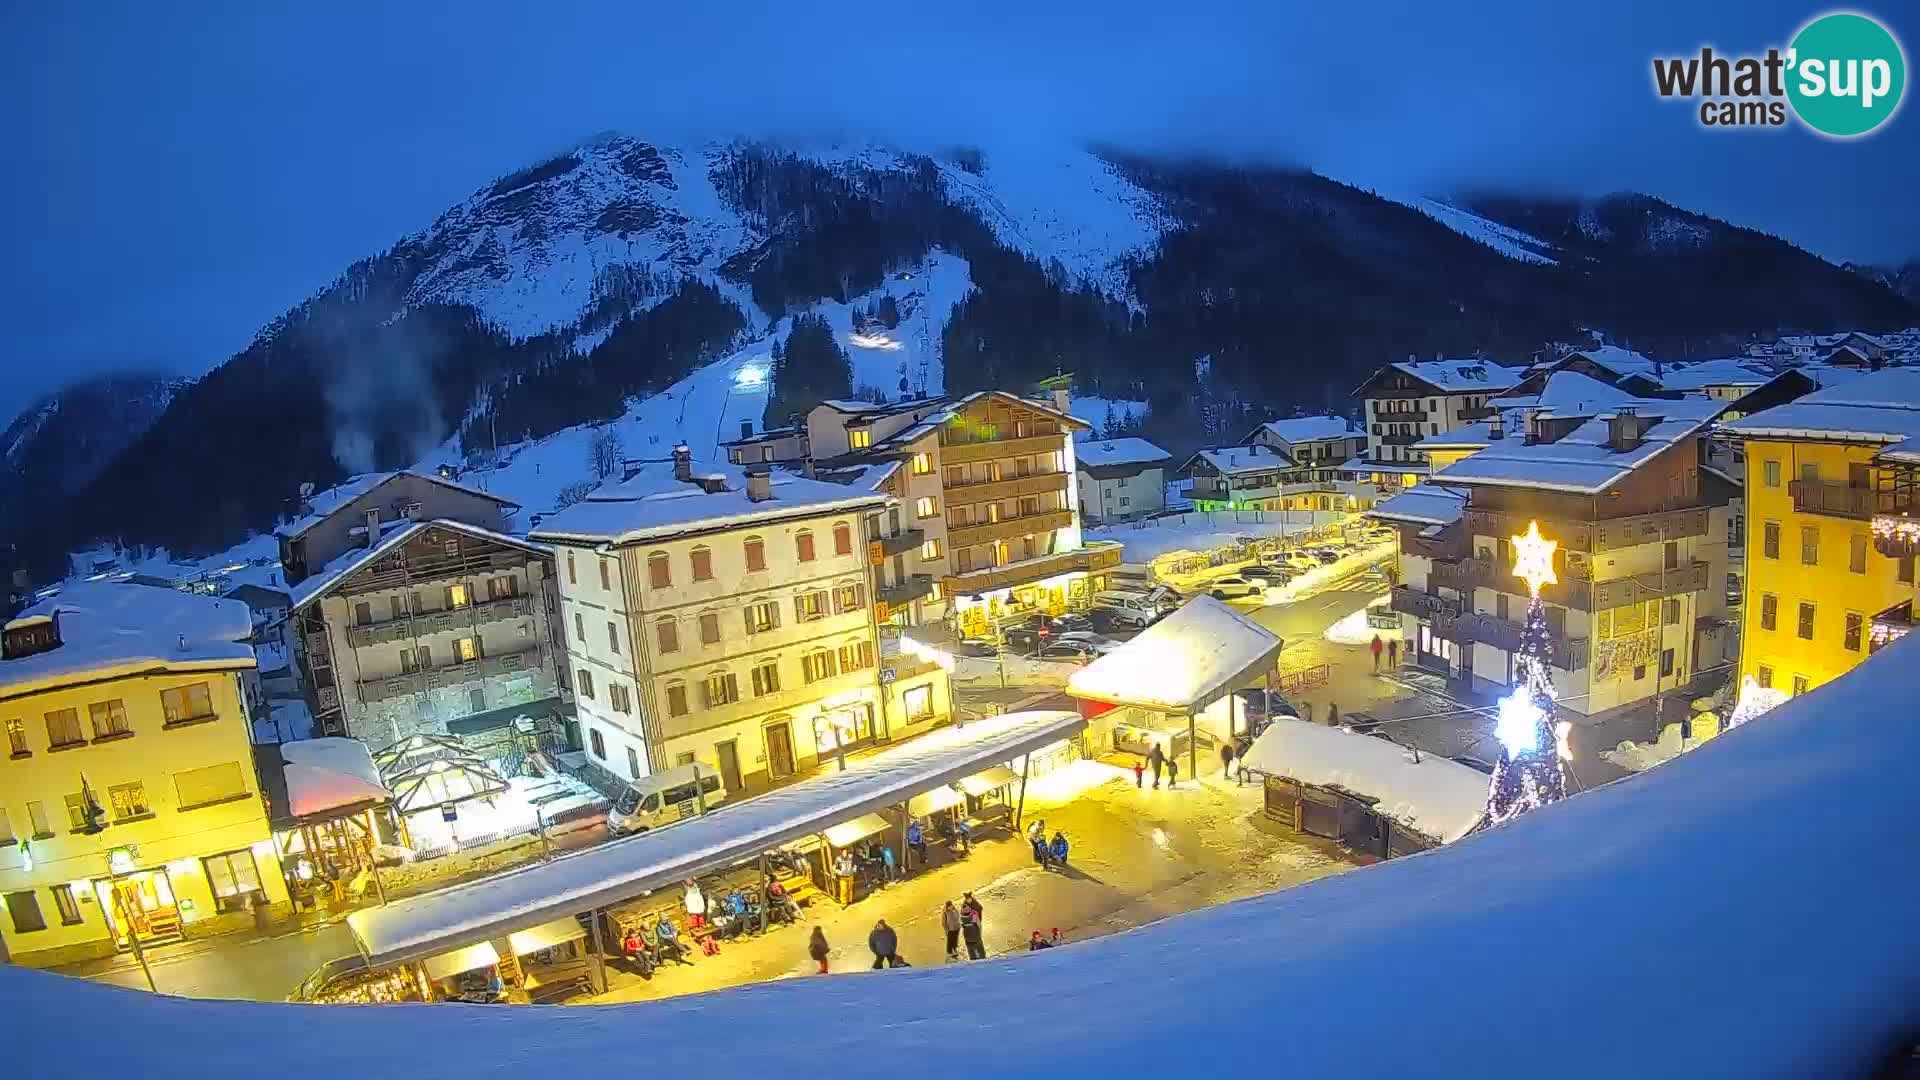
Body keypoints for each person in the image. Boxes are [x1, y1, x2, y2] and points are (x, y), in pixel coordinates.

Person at [961, 893, 986, 959]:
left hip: (973, 927)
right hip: (970, 931)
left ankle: (978, 957)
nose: (968, 900)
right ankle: (978, 957)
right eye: (967, 899)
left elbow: (980, 908)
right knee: (974, 946)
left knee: (976, 945)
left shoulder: (974, 905)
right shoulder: (964, 907)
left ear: (971, 898)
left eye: (969, 899)